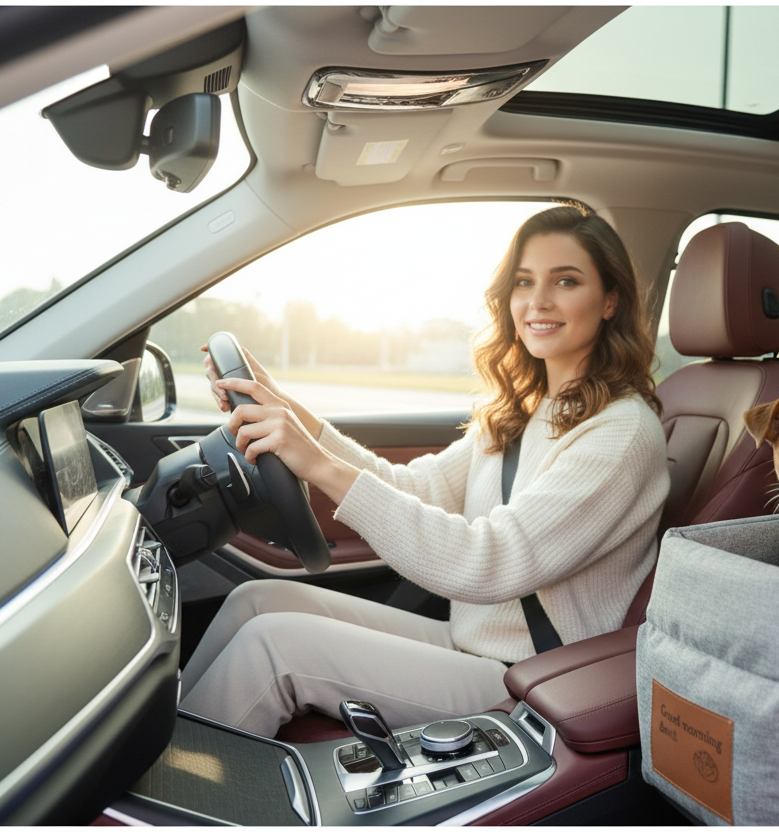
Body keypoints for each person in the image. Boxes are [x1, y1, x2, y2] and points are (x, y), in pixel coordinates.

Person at [178, 206, 670, 738]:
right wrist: (293, 417)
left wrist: (317, 463)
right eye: (524, 282)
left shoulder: (622, 432)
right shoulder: (525, 409)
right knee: (257, 600)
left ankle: (171, 796)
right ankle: (159, 749)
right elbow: (417, 489)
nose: (538, 301)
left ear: (610, 300)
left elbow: (489, 561)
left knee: (273, 648)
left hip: (533, 681)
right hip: (467, 642)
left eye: (566, 281)